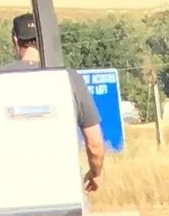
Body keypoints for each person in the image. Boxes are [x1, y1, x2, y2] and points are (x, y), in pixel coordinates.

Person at [10, 12, 105, 194]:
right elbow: (94, 142)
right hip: (62, 187)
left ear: (15, 40)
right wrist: (96, 173)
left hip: (12, 187)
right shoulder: (70, 78)